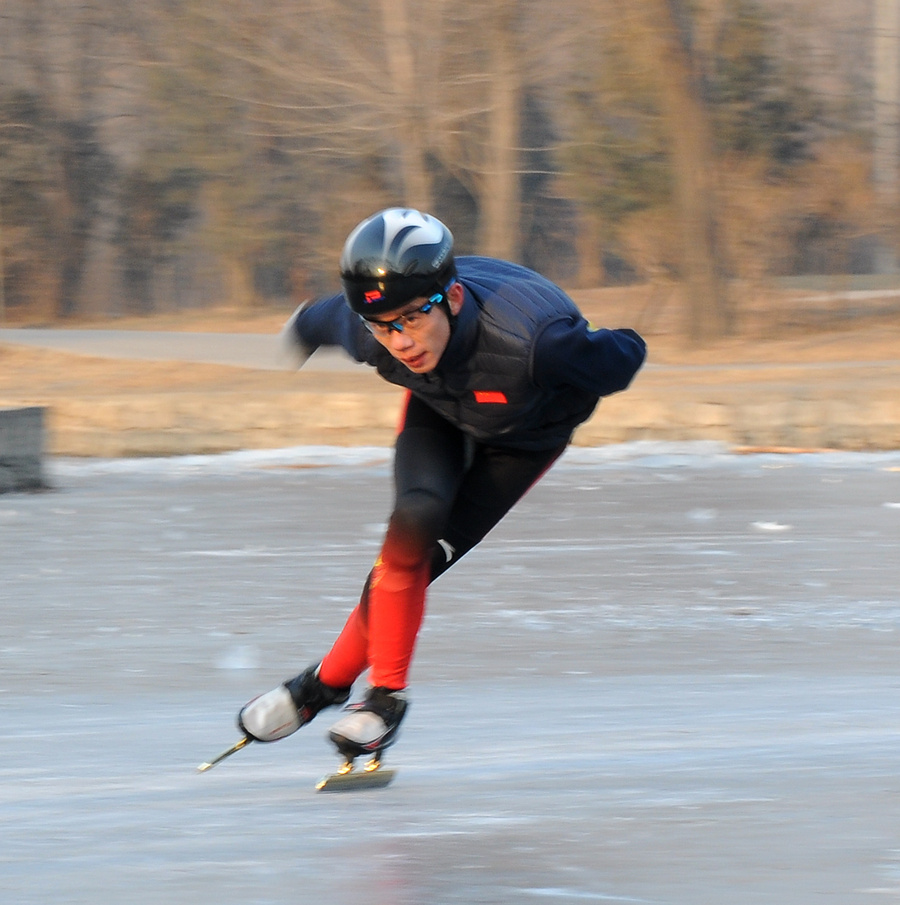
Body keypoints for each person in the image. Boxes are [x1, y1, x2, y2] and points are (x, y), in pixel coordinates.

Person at [238, 207, 646, 767]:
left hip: (524, 439)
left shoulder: (541, 346)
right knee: (411, 532)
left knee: (423, 559)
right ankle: (366, 696)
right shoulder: (366, 333)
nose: (400, 341)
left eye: (412, 317)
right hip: (441, 412)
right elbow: (316, 322)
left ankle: (326, 687)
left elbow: (626, 354)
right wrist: (296, 334)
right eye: (383, 326)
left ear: (452, 298)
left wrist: (598, 360)